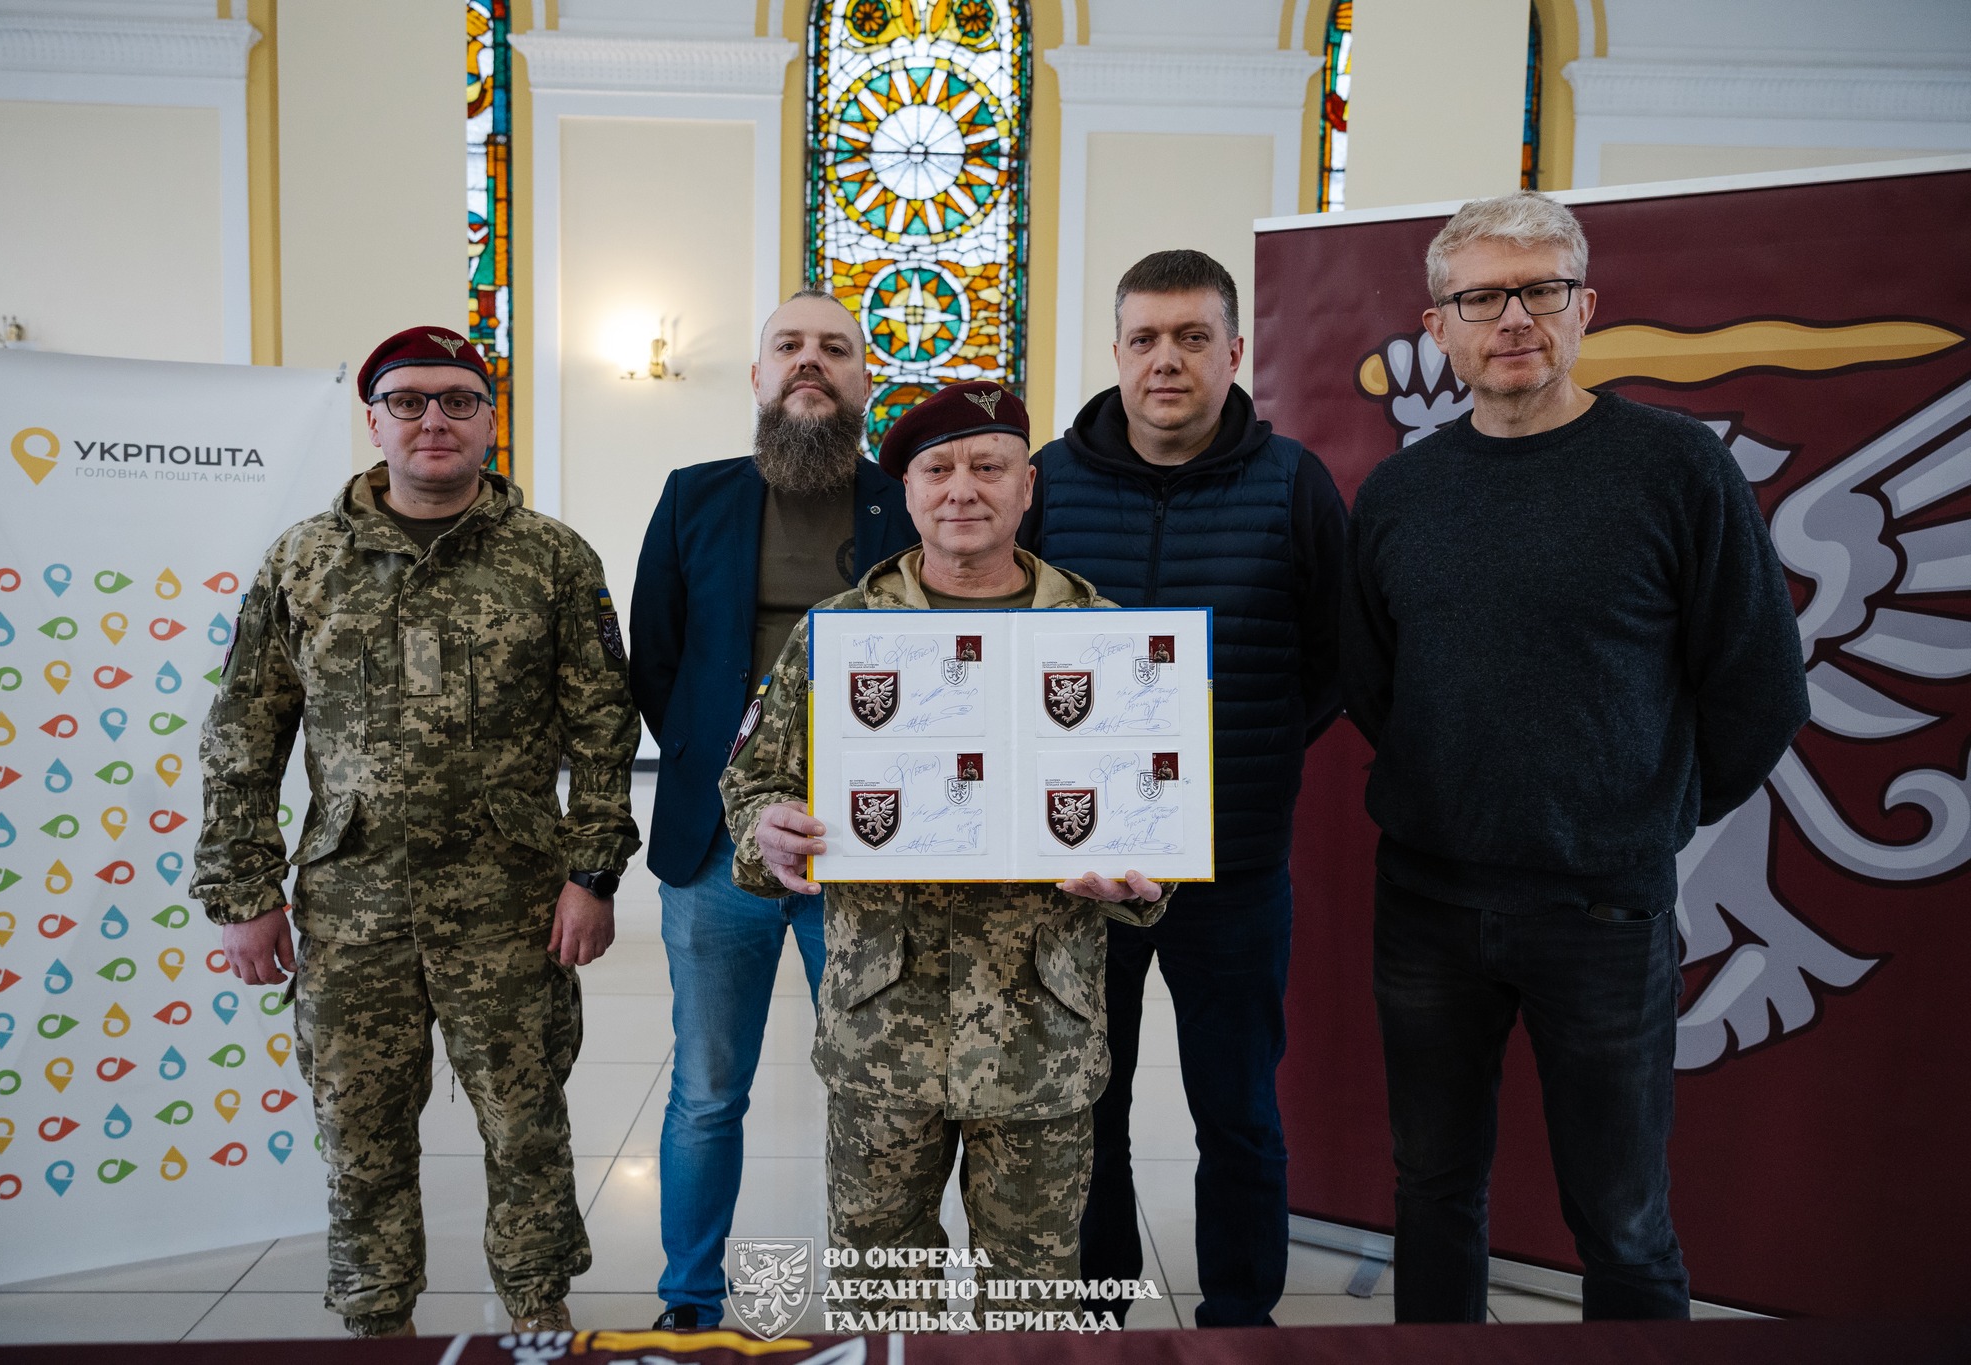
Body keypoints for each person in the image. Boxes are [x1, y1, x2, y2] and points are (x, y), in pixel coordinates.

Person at [1339, 191, 1808, 1322]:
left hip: (1603, 909)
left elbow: (1758, 684)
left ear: (1583, 307)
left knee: (1623, 1218)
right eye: (1480, 299)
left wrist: (1641, 813)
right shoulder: (1400, 493)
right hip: (1428, 903)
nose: (1513, 318)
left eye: (1539, 291)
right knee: (1432, 1190)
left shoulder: (1675, 469)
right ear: (1436, 327)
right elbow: (1372, 684)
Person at [192, 326, 641, 1338]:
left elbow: (604, 726)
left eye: (457, 399)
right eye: (408, 401)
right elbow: (242, 733)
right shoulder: (305, 560)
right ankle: (374, 1321)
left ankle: (536, 1311)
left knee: (526, 1126)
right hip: (353, 907)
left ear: (489, 419)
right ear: (374, 421)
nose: (433, 419)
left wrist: (594, 874)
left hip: (513, 902)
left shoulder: (552, 557)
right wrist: (243, 893)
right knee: (360, 1133)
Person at [720, 382, 1169, 1322]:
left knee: (1032, 1305)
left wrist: (1142, 880)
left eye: (989, 466)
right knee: (883, 1296)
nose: (963, 488)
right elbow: (750, 784)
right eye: (939, 469)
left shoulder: (1104, 635)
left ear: (1029, 486)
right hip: (882, 1028)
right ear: (908, 490)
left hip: (1041, 1032)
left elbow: (1152, 830)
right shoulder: (839, 633)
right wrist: (769, 831)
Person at [1020, 249, 1346, 1326]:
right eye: (1146, 338)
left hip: (1233, 866)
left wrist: (1236, 757)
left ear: (1234, 351)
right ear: (1116, 352)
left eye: (1192, 337)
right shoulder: (1049, 481)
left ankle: (1241, 1323)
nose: (1167, 359)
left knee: (1239, 1112)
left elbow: (1332, 659)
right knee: (1087, 1107)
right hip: (1082, 869)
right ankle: (1095, 1316)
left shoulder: (1293, 483)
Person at [630, 289, 918, 1330]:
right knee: (708, 1089)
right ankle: (689, 1301)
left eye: (833, 348)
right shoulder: (693, 496)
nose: (809, 360)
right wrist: (735, 785)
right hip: (720, 850)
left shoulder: (909, 501)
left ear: (863, 380)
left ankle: (876, 1309)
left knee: (878, 1089)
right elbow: (659, 660)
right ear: (757, 376)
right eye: (788, 344)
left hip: (868, 846)